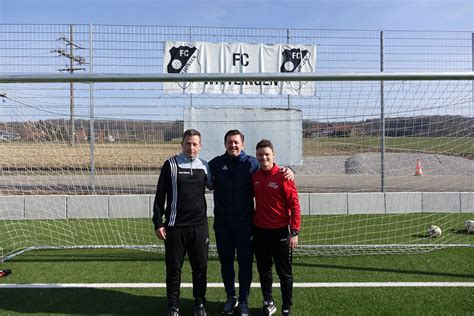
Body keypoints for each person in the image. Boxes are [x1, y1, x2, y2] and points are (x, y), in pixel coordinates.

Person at [209, 130, 293, 316]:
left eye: (237, 142)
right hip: (223, 225)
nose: (233, 145)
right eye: (230, 142)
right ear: (225, 144)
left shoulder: (252, 163)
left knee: (245, 263)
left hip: (246, 225)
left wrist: (288, 170)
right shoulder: (215, 164)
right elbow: (202, 179)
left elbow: (269, 168)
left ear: (243, 145)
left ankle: (244, 300)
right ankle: (231, 297)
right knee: (226, 263)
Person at [152, 129, 212, 316]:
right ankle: (173, 307)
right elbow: (160, 195)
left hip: (199, 227)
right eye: (188, 143)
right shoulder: (170, 164)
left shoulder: (205, 166)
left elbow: (221, 183)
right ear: (182, 145)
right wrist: (158, 222)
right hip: (175, 226)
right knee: (174, 270)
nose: (191, 147)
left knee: (200, 269)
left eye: (195, 144)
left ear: (200, 146)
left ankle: (199, 305)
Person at [251, 139, 301, 316]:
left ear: (273, 155)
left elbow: (294, 204)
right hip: (259, 231)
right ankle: (268, 301)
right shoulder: (255, 176)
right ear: (256, 156)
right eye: (260, 154)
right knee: (264, 270)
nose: (263, 157)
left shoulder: (283, 176)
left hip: (280, 232)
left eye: (267, 154)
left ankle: (287, 305)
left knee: (284, 272)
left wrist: (294, 231)